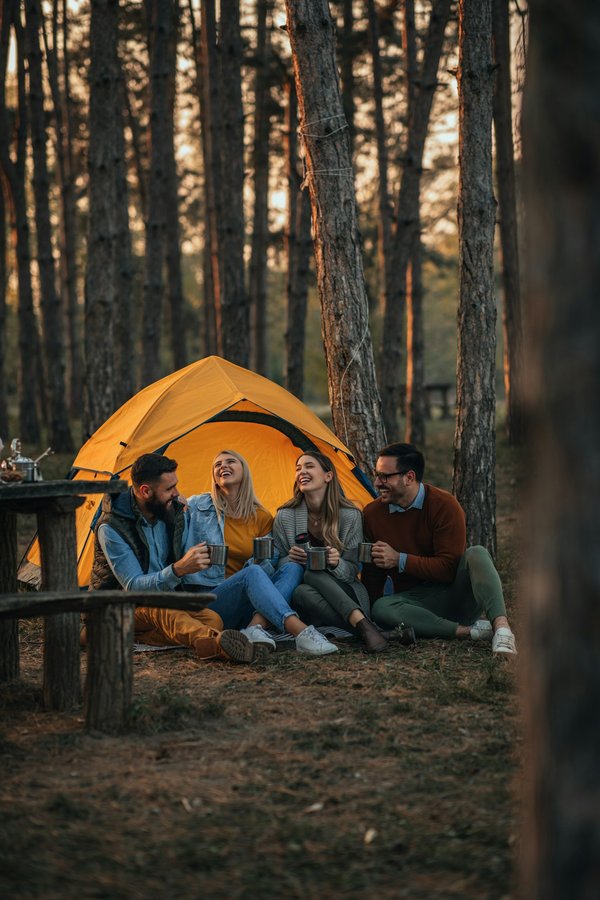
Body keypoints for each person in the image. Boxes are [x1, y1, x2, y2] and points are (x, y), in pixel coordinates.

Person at [89, 453, 258, 664]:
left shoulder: (167, 511)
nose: (176, 493)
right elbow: (134, 587)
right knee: (165, 611)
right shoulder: (111, 527)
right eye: (169, 489)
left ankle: (120, 636)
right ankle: (212, 642)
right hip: (119, 607)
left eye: (176, 486)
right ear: (145, 491)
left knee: (212, 618)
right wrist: (179, 569)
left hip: (160, 602)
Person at [362, 442, 517, 655]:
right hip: (414, 604)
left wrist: (399, 559)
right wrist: (368, 619)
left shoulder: (444, 505)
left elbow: (448, 569)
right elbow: (373, 572)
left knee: (477, 553)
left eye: (385, 476)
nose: (377, 482)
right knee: (381, 608)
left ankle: (502, 630)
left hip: (455, 595)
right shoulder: (372, 514)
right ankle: (468, 632)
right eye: (376, 474)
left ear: (409, 477)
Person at [183, 450, 339, 656]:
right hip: (210, 601)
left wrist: (263, 564)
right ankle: (301, 633)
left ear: (244, 471)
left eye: (230, 461)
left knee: (291, 567)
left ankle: (254, 628)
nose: (223, 466)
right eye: (217, 464)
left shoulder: (261, 516)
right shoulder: (196, 506)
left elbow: (268, 563)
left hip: (247, 605)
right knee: (253, 572)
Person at [273, 451, 389, 654]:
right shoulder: (285, 516)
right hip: (308, 601)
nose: (302, 472)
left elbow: (352, 571)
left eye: (309, 466)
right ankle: (366, 627)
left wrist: (337, 563)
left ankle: (360, 622)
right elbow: (278, 567)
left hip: (347, 594)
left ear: (328, 476)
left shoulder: (350, 516)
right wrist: (289, 560)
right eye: (298, 468)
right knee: (301, 588)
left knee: (313, 572)